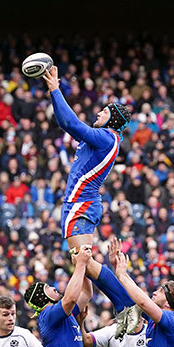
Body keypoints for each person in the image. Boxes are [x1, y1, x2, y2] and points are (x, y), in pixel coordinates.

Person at [42, 65, 131, 252]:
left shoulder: (106, 137)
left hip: (81, 204)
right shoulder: (102, 138)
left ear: (113, 120)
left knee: (84, 262)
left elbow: (72, 123)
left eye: (105, 112)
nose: (99, 113)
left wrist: (55, 90)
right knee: (82, 265)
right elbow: (64, 123)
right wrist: (53, 93)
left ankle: (121, 280)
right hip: (80, 203)